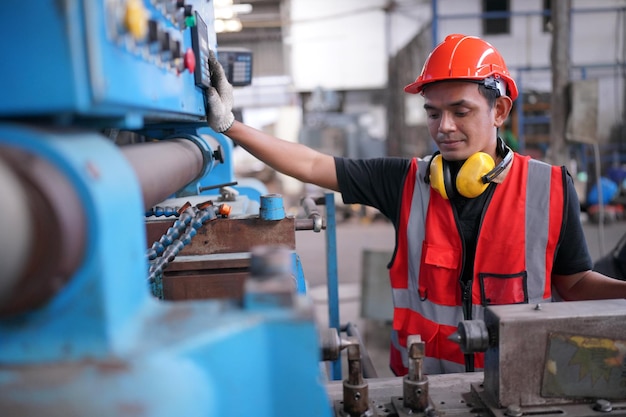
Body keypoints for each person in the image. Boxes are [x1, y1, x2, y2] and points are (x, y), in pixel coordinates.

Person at [205, 34, 626, 375]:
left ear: (499, 110)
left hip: (520, 384)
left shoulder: (549, 187)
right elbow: (313, 163)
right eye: (433, 113)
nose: (443, 127)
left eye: (460, 111)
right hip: (423, 391)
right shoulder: (406, 181)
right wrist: (231, 126)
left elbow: (573, 284)